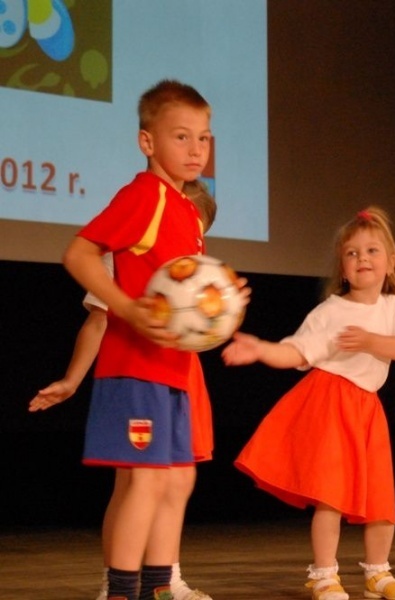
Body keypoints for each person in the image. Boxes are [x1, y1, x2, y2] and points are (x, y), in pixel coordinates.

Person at [62, 79, 214, 600]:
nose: (196, 149)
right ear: (147, 142)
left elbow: (181, 289)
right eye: (181, 137)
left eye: (204, 138)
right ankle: (122, 591)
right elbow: (79, 254)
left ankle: (156, 588)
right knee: (145, 483)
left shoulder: (190, 213)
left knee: (172, 483)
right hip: (135, 367)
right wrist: (125, 306)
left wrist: (218, 303)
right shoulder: (143, 195)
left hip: (172, 369)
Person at [29, 180, 218, 600]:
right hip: (137, 373)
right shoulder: (129, 257)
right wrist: (72, 379)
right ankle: (118, 581)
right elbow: (97, 320)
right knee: (135, 483)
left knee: (177, 481)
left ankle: (165, 579)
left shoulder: (193, 267)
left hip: (181, 375)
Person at [222, 207, 395, 600]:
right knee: (329, 495)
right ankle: (324, 574)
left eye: (372, 250)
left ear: (391, 262)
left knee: (380, 498)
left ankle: (378, 573)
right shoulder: (330, 310)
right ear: (342, 268)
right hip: (331, 404)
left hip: (368, 410)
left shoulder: (393, 307)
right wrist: (262, 349)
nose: (362, 258)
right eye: (352, 253)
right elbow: (297, 352)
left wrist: (370, 341)